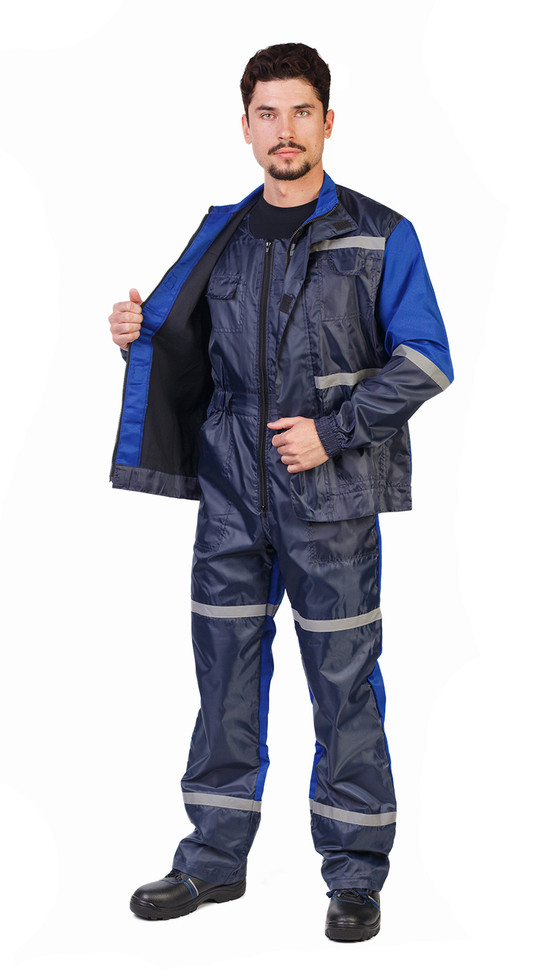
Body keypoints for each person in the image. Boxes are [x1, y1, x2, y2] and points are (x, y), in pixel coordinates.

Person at [108, 42, 453, 943]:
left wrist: (332, 431)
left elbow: (426, 360)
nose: (285, 130)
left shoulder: (381, 233)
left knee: (343, 682)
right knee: (223, 672)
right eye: (268, 113)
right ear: (247, 126)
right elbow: (189, 346)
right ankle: (212, 860)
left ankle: (355, 872)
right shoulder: (220, 232)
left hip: (330, 495)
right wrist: (138, 333)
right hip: (231, 488)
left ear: (328, 122)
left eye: (301, 111)